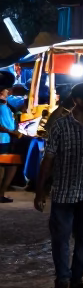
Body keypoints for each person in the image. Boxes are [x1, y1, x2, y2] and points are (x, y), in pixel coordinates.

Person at [34, 82, 83, 288]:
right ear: (76, 100)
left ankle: (77, 279)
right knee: (60, 238)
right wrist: (40, 191)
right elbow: (47, 160)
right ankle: (62, 279)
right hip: (63, 192)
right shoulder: (59, 126)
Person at [0, 73, 22, 203]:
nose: (8, 92)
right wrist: (12, 132)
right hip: (2, 140)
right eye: (6, 90)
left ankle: (2, 192)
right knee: (3, 166)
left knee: (11, 164)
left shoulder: (6, 105)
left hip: (7, 139)